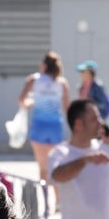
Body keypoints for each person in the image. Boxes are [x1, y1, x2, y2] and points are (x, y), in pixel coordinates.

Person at [18, 51, 71, 185]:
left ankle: (46, 200)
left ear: (43, 65)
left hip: (39, 126)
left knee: (42, 167)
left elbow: (21, 100)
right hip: (56, 126)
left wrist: (32, 102)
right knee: (56, 165)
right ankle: (58, 201)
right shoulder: (62, 83)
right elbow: (66, 108)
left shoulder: (34, 80)